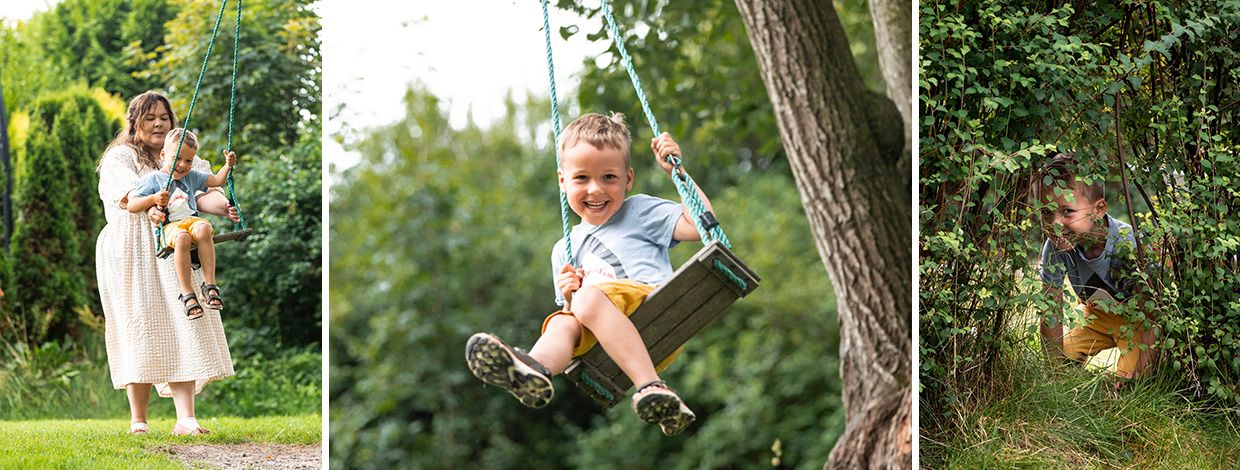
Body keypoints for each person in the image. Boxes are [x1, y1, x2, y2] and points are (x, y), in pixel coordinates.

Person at [466, 112, 714, 436]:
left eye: (608, 177)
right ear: (563, 181)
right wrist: (569, 298)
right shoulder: (563, 250)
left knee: (587, 299)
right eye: (582, 178)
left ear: (628, 179)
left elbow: (703, 226)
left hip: (653, 309)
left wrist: (679, 174)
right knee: (562, 321)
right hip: (607, 336)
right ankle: (534, 368)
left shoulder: (638, 212)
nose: (595, 190)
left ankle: (651, 385)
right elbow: (578, 319)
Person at [96, 91, 237, 436]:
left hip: (173, 242)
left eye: (164, 117)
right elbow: (131, 197)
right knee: (139, 325)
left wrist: (225, 206)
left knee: (183, 321)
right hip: (131, 248)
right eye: (149, 118)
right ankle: (138, 420)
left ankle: (186, 418)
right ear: (135, 123)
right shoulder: (121, 157)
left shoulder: (182, 157)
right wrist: (154, 203)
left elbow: (203, 193)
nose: (158, 123)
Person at [1034, 152, 1156, 380]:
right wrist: (1054, 374)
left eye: (1067, 211)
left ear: (1099, 209)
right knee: (1063, 359)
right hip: (1095, 317)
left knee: (1132, 380)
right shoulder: (1054, 248)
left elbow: (1151, 312)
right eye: (1046, 212)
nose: (1055, 225)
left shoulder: (1127, 242)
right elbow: (1050, 310)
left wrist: (1141, 368)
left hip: (1135, 320)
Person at [129, 128, 236, 319]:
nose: (182, 165)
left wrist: (228, 166)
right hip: (171, 227)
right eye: (177, 158)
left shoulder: (192, 177)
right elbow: (132, 205)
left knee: (204, 227)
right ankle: (187, 293)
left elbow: (218, 180)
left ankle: (209, 285)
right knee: (183, 238)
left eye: (188, 160)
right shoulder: (152, 179)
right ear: (163, 155)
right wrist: (153, 198)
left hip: (191, 220)